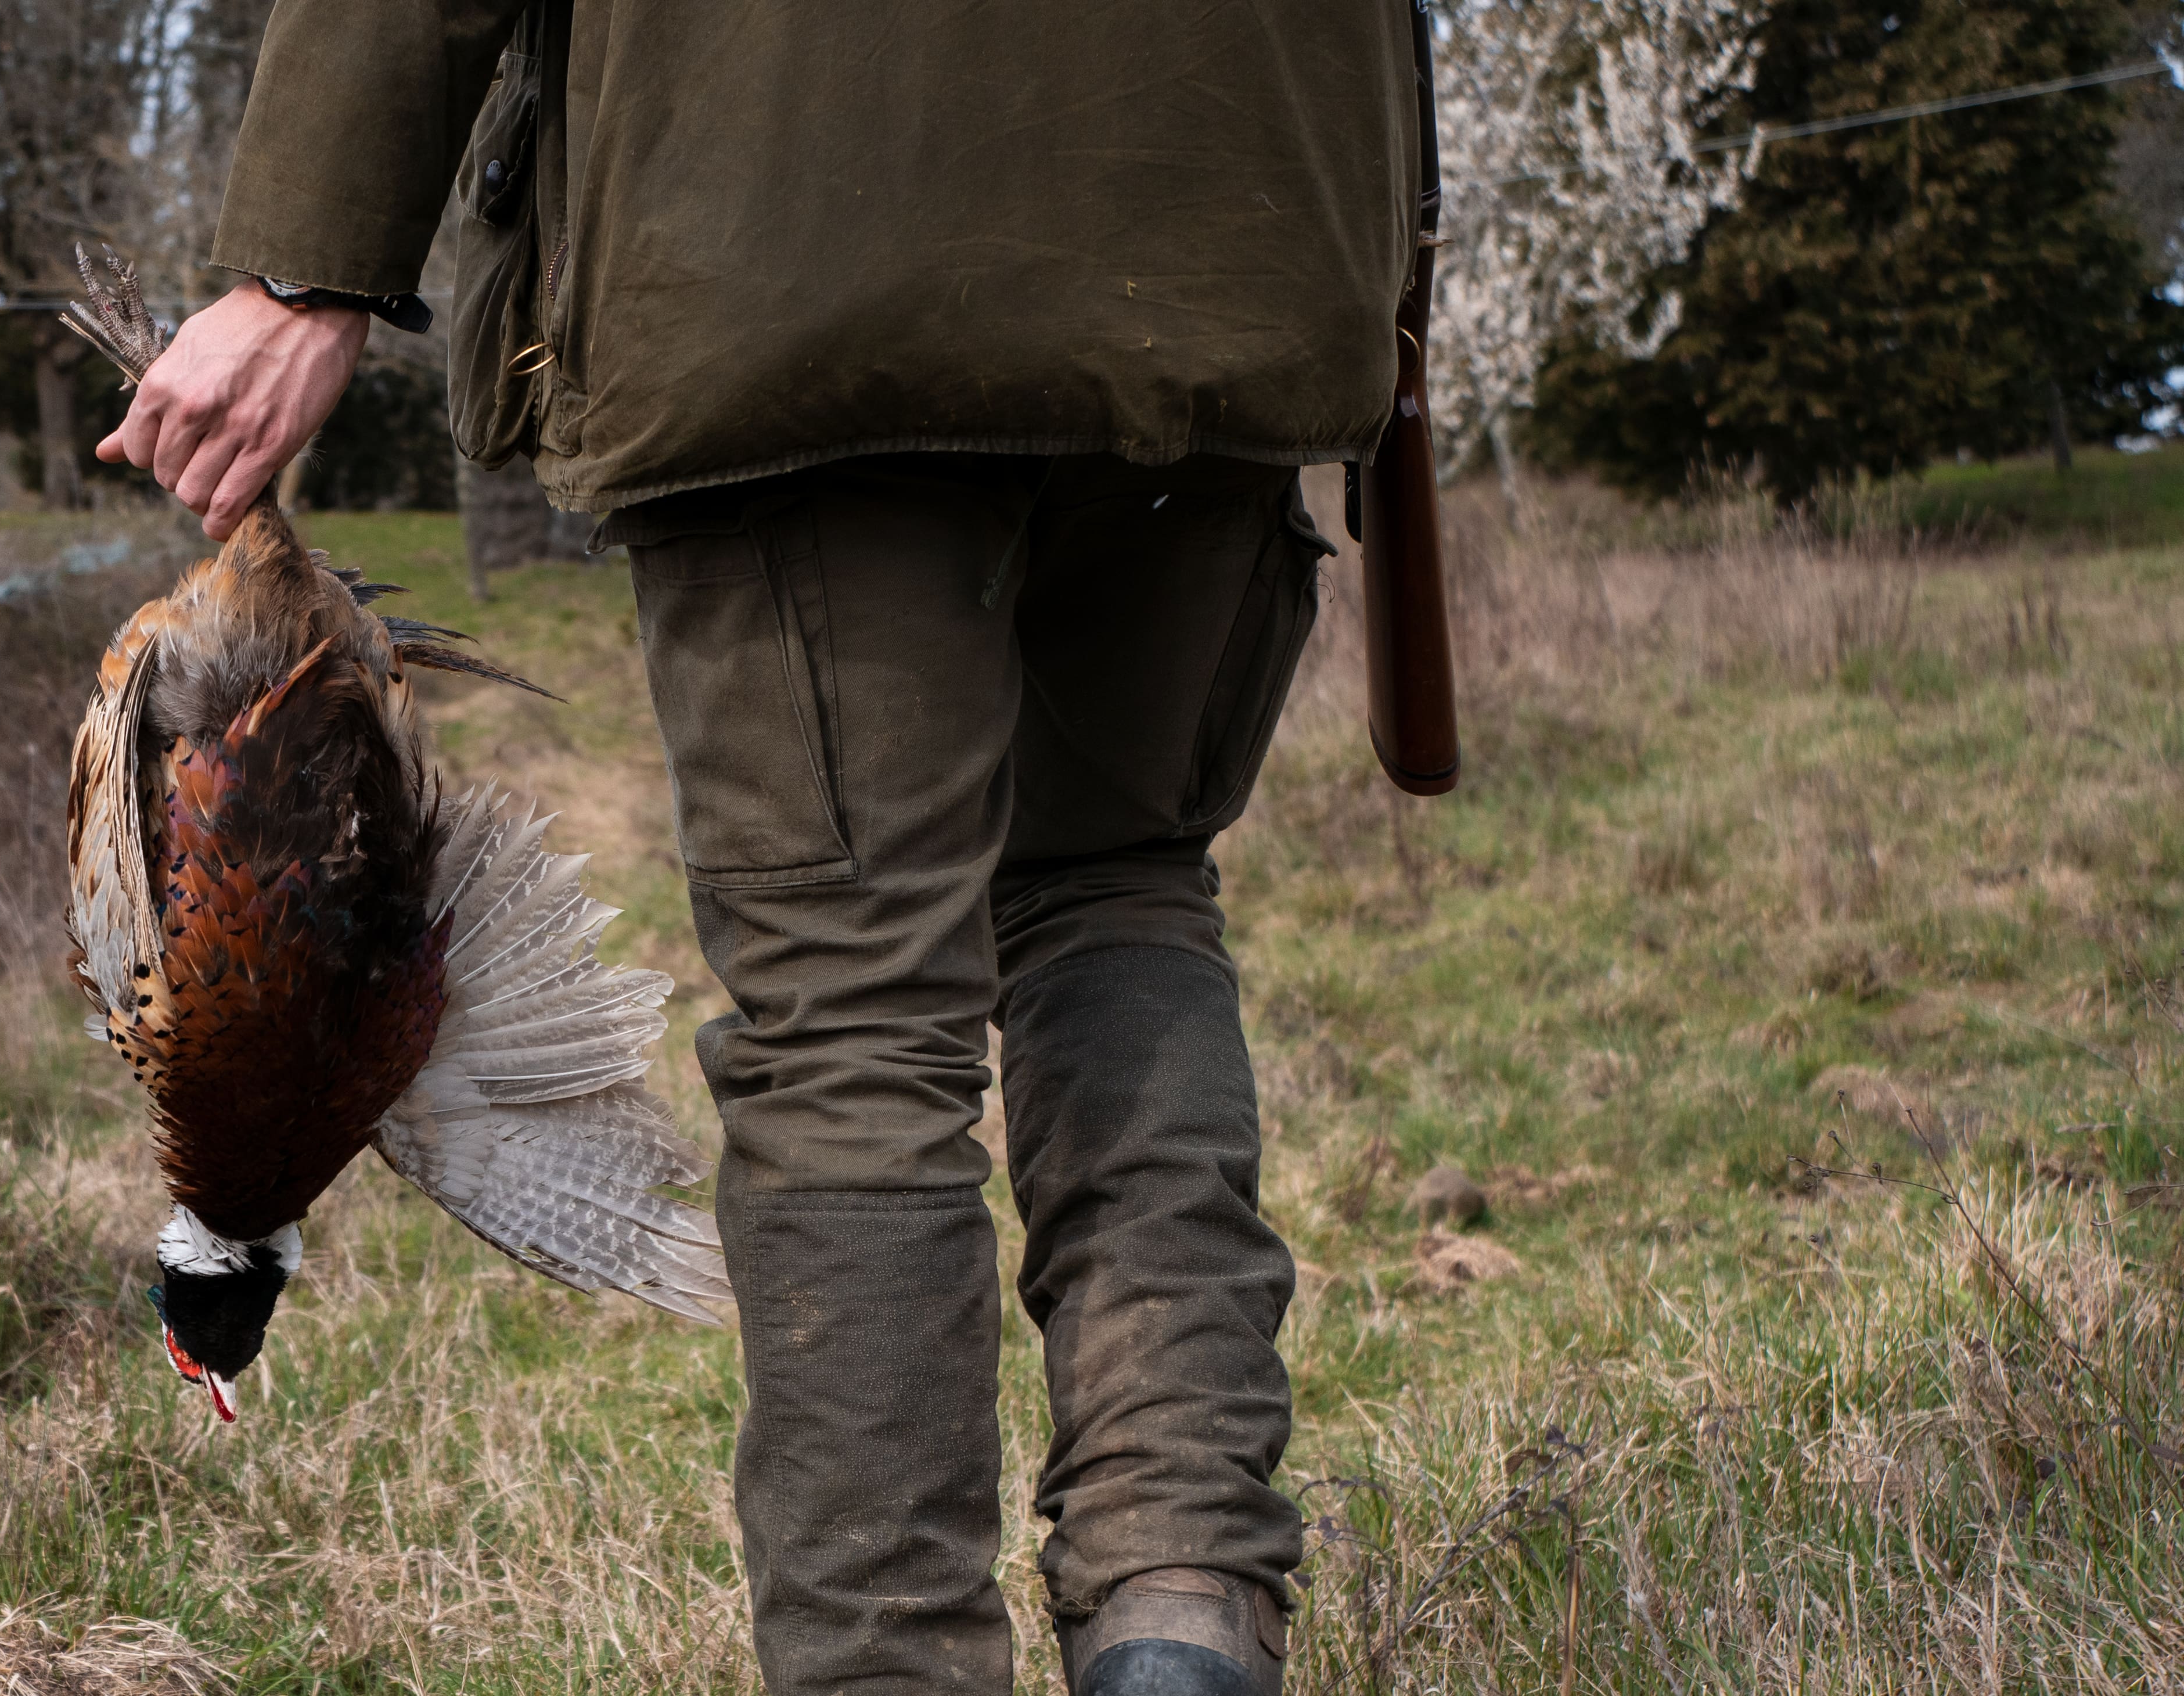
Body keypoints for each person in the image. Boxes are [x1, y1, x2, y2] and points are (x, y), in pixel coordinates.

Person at [98, 6, 1422, 1691]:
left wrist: (303, 268)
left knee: (854, 1006)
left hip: (793, 251)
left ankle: (893, 1662)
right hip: (1236, 214)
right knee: (1121, 888)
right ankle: (1182, 1594)